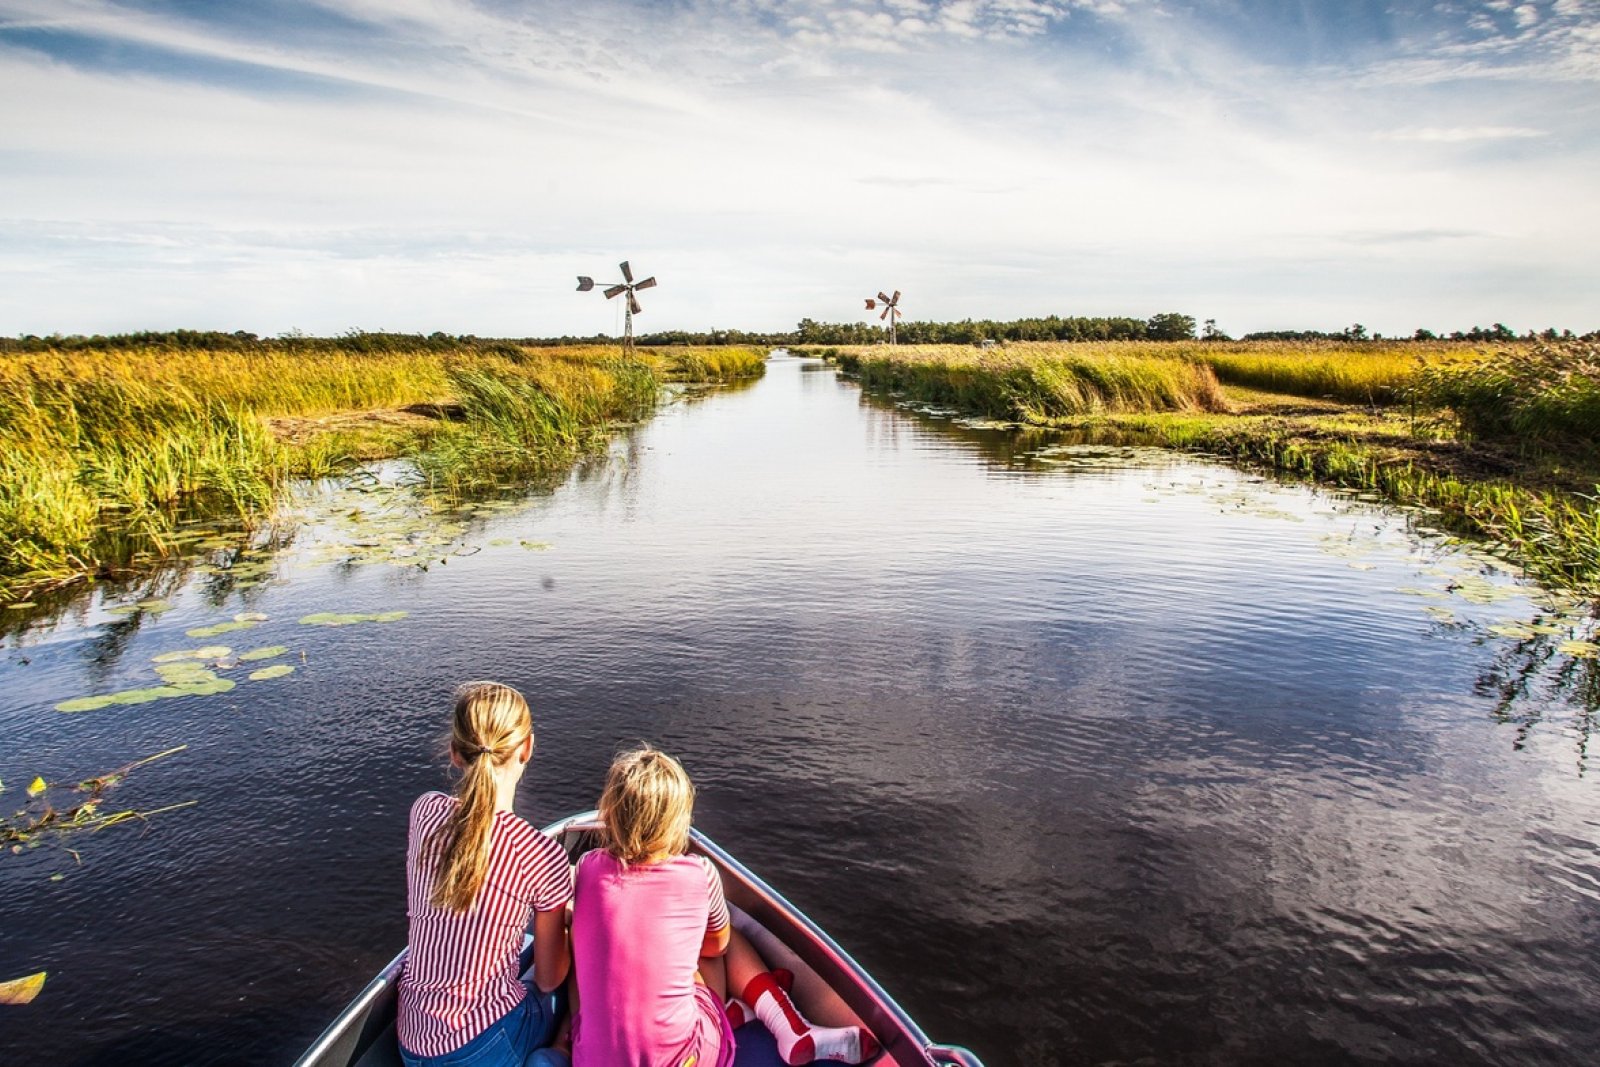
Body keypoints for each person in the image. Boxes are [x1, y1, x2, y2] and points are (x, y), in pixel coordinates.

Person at [571, 745, 880, 1067]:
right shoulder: (699, 874)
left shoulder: (587, 868)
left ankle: (744, 1009)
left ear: (611, 813)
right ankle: (785, 1025)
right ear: (678, 818)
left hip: (592, 1060)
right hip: (687, 1059)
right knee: (725, 939)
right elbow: (717, 948)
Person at [397, 682, 574, 1067]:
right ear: (527, 748)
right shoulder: (541, 855)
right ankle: (559, 1052)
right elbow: (547, 979)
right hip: (482, 1046)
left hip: (411, 1041)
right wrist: (571, 934)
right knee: (570, 982)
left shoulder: (423, 812)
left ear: (454, 752)